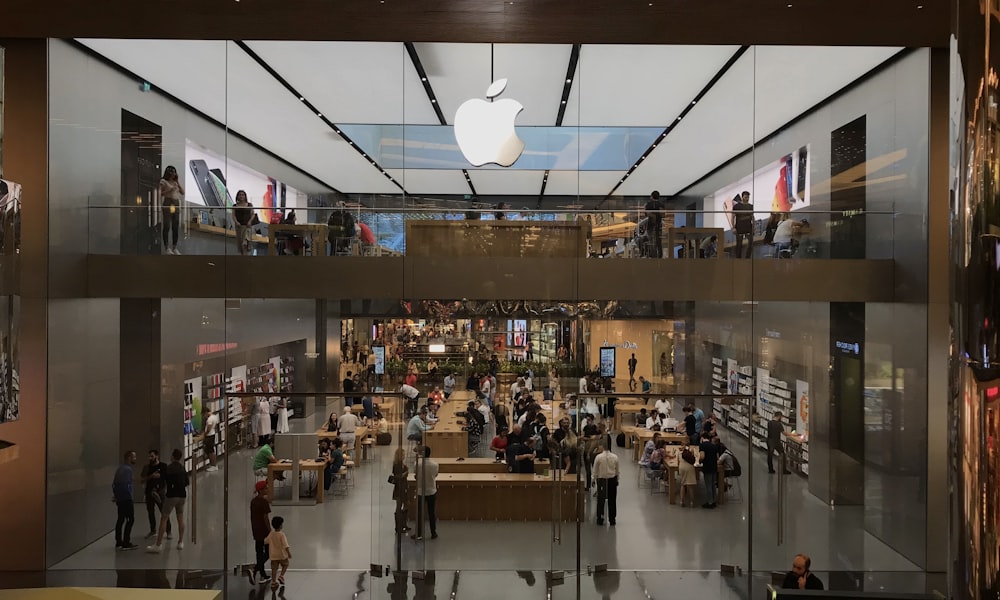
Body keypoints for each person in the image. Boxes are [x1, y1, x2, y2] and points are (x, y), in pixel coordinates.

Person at [147, 448, 188, 553]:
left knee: (164, 518)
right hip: (182, 495)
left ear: (173, 456)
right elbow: (187, 482)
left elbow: (164, 480)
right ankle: (180, 542)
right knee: (180, 517)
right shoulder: (182, 468)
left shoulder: (169, 468)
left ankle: (158, 544)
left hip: (171, 495)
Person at [140, 450, 171, 540]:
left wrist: (161, 478)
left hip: (160, 492)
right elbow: (142, 480)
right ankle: (152, 530)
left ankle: (168, 531)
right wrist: (151, 476)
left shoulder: (163, 466)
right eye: (149, 456)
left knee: (164, 512)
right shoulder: (146, 467)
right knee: (150, 512)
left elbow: (167, 478)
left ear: (157, 456)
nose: (150, 458)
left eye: (152, 456)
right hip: (149, 492)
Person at [113, 450, 138, 550]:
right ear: (129, 458)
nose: (135, 459)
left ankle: (118, 541)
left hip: (120, 498)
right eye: (134, 457)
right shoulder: (128, 470)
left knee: (120, 519)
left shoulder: (120, 469)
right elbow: (125, 485)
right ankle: (126, 542)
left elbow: (115, 484)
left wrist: (116, 496)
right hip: (126, 499)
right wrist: (128, 496)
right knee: (130, 519)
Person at [413, 446, 439, 541]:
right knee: (432, 513)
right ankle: (433, 532)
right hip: (431, 490)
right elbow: (435, 475)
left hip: (420, 491)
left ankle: (419, 533)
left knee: (419, 513)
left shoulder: (417, 464)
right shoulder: (435, 464)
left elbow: (416, 475)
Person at [248, 480, 272, 586]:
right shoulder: (264, 502)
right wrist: (270, 531)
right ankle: (255, 569)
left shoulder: (253, 501)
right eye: (266, 488)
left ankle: (262, 574)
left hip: (256, 529)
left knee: (259, 551)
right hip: (264, 531)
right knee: (268, 552)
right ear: (261, 490)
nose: (268, 489)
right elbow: (265, 517)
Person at [158, 165, 184, 255]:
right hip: (168, 202)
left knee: (175, 226)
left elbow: (183, 192)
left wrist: (177, 181)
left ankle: (175, 247)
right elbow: (160, 193)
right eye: (172, 172)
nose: (174, 174)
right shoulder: (163, 181)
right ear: (169, 173)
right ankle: (167, 248)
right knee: (167, 225)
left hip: (176, 203)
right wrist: (170, 190)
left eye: (175, 172)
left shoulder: (175, 182)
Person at [593, 443, 620, 526]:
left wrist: (593, 479)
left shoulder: (598, 457)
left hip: (602, 480)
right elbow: (617, 471)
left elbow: (595, 470)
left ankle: (600, 518)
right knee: (612, 500)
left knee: (601, 500)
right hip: (612, 480)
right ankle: (612, 519)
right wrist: (617, 479)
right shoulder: (615, 457)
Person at [264, 516, 291, 591]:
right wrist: (289, 553)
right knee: (286, 564)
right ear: (280, 525)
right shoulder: (282, 534)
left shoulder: (271, 534)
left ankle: (273, 582)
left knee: (274, 569)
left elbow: (266, 541)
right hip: (282, 555)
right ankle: (281, 576)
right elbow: (286, 545)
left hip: (273, 555)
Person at [391, 447, 410, 534]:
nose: (404, 456)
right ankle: (398, 526)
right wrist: (405, 473)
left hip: (404, 487)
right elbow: (397, 477)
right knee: (399, 506)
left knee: (405, 505)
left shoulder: (402, 464)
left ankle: (404, 524)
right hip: (399, 488)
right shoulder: (396, 465)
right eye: (402, 455)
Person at [699, 435, 720, 508]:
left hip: (707, 467)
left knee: (708, 485)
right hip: (714, 467)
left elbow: (702, 456)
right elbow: (717, 457)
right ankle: (714, 501)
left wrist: (699, 461)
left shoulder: (702, 446)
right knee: (713, 485)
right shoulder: (714, 446)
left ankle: (710, 502)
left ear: (702, 438)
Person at [733, 190, 754, 258]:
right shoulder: (737, 206)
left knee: (750, 243)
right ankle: (738, 259)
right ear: (742, 197)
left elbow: (752, 216)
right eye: (745, 197)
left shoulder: (750, 206)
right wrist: (733, 227)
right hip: (739, 227)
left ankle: (747, 258)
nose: (747, 199)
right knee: (739, 244)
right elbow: (733, 217)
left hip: (748, 227)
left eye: (748, 197)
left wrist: (754, 226)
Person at [644, 190, 664, 258]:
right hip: (659, 225)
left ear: (651, 196)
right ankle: (660, 257)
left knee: (651, 241)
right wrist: (657, 215)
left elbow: (647, 213)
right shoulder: (661, 204)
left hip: (650, 225)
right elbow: (663, 214)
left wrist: (653, 215)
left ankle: (654, 257)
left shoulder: (648, 204)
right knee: (659, 241)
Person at [233, 190, 253, 255]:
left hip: (247, 226)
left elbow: (252, 214)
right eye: (240, 195)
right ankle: (243, 257)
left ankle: (245, 257)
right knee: (240, 243)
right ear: (237, 196)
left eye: (243, 195)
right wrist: (236, 222)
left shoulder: (249, 205)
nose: (241, 196)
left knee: (245, 242)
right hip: (239, 226)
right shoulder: (235, 206)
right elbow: (233, 215)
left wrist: (250, 221)